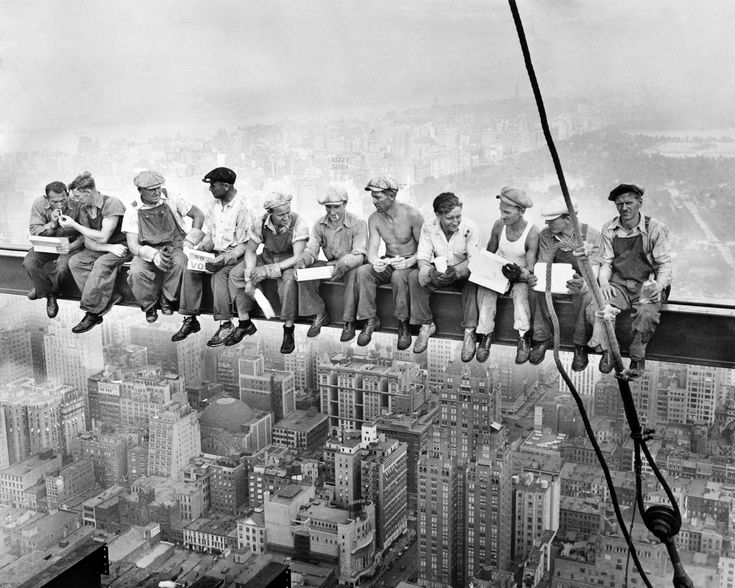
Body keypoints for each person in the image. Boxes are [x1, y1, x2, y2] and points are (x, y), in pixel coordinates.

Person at [588, 183, 672, 378]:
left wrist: (658, 287)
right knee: (598, 308)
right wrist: (604, 283)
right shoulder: (609, 228)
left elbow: (664, 264)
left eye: (628, 203)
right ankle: (610, 350)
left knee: (647, 315)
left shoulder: (655, 228)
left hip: (647, 285)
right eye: (619, 204)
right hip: (619, 284)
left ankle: (637, 355)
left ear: (639, 203)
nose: (624, 208)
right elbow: (606, 262)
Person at [171, 167, 250, 347]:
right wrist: (199, 250)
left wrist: (223, 259)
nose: (210, 189)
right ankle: (190, 319)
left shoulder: (242, 208)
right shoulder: (215, 205)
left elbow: (244, 245)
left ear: (227, 186)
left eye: (213, 185)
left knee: (218, 276)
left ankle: (226, 324)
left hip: (235, 257)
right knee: (190, 269)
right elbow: (210, 235)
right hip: (216, 253)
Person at [227, 192, 309, 353]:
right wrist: (250, 277)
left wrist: (267, 271)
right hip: (267, 256)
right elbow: (250, 251)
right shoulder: (261, 222)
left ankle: (288, 329)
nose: (286, 217)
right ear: (270, 213)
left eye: (288, 212)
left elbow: (297, 256)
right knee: (236, 273)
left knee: (290, 282)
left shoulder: (299, 223)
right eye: (281, 215)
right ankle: (244, 322)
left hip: (288, 261)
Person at [348, 176, 424, 349]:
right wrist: (375, 262)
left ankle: (403, 324)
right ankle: (370, 319)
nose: (373, 201)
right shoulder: (374, 218)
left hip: (410, 263)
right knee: (363, 272)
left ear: (391, 196)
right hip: (389, 259)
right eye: (372, 196)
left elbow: (425, 250)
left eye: (377, 197)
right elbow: (373, 250)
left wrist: (408, 262)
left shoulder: (413, 215)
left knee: (399, 276)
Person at [527, 196, 600, 370]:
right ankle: (541, 337)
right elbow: (544, 262)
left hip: (581, 281)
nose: (547, 223)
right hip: (556, 280)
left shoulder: (591, 235)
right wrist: (538, 277)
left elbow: (594, 270)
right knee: (536, 289)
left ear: (568, 219)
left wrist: (583, 283)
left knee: (584, 294)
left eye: (552, 220)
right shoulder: (546, 235)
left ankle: (579, 345)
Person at [123, 170, 205, 323]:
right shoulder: (133, 210)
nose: (157, 192)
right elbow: (133, 245)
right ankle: (149, 305)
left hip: (174, 245)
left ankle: (167, 298)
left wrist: (190, 242)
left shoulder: (171, 197)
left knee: (180, 263)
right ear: (140, 191)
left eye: (158, 188)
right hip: (147, 249)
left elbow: (198, 215)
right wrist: (153, 255)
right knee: (136, 271)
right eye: (151, 189)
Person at [409, 192, 479, 357]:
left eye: (458, 217)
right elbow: (423, 259)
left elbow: (473, 260)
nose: (455, 222)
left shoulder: (470, 227)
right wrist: (431, 272)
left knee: (473, 282)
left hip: (462, 271)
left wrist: (456, 272)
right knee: (414, 278)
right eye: (450, 218)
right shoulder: (428, 227)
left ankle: (469, 330)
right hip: (440, 270)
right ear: (438, 215)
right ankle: (426, 324)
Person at [60, 171, 131, 333]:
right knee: (76, 261)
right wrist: (108, 248)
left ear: (88, 192)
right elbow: (88, 241)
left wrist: (75, 225)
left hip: (124, 247)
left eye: (78, 197)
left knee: (101, 264)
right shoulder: (85, 209)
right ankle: (108, 297)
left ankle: (92, 312)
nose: (76, 200)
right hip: (108, 248)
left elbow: (102, 236)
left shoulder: (112, 204)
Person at [475, 186, 538, 364]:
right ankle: (486, 333)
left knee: (520, 295)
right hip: (500, 270)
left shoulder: (532, 233)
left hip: (519, 275)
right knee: (486, 290)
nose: (503, 216)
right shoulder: (499, 225)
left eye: (507, 212)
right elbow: (490, 253)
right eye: (501, 211)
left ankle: (523, 335)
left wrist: (519, 274)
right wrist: (486, 271)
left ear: (521, 211)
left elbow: (531, 268)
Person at [295, 186, 367, 337]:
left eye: (336, 207)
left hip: (350, 264)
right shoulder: (320, 224)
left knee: (353, 275)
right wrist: (303, 262)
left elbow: (359, 253)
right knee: (305, 274)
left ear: (345, 204)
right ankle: (319, 313)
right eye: (329, 207)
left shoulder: (358, 223)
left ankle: (349, 321)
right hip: (331, 265)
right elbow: (312, 249)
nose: (332, 212)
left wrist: (344, 263)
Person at [23, 181, 83, 318]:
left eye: (63, 200)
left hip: (70, 244)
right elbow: (35, 230)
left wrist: (72, 246)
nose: (60, 205)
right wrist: (52, 224)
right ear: (47, 199)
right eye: (55, 202)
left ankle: (44, 289)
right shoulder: (39, 204)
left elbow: (84, 233)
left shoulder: (77, 204)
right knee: (30, 262)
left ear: (67, 195)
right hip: (46, 244)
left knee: (62, 267)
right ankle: (48, 292)